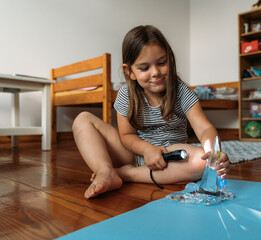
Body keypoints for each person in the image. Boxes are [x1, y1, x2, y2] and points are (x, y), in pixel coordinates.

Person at [72, 25, 230, 199]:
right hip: (133, 155)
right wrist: (147, 149)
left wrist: (213, 153)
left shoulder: (182, 91)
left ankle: (124, 174)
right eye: (144, 68)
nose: (156, 72)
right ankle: (105, 170)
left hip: (170, 158)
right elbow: (126, 136)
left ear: (170, 59)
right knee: (82, 119)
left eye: (161, 63)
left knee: (202, 162)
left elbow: (204, 129)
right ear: (129, 71)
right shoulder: (126, 94)